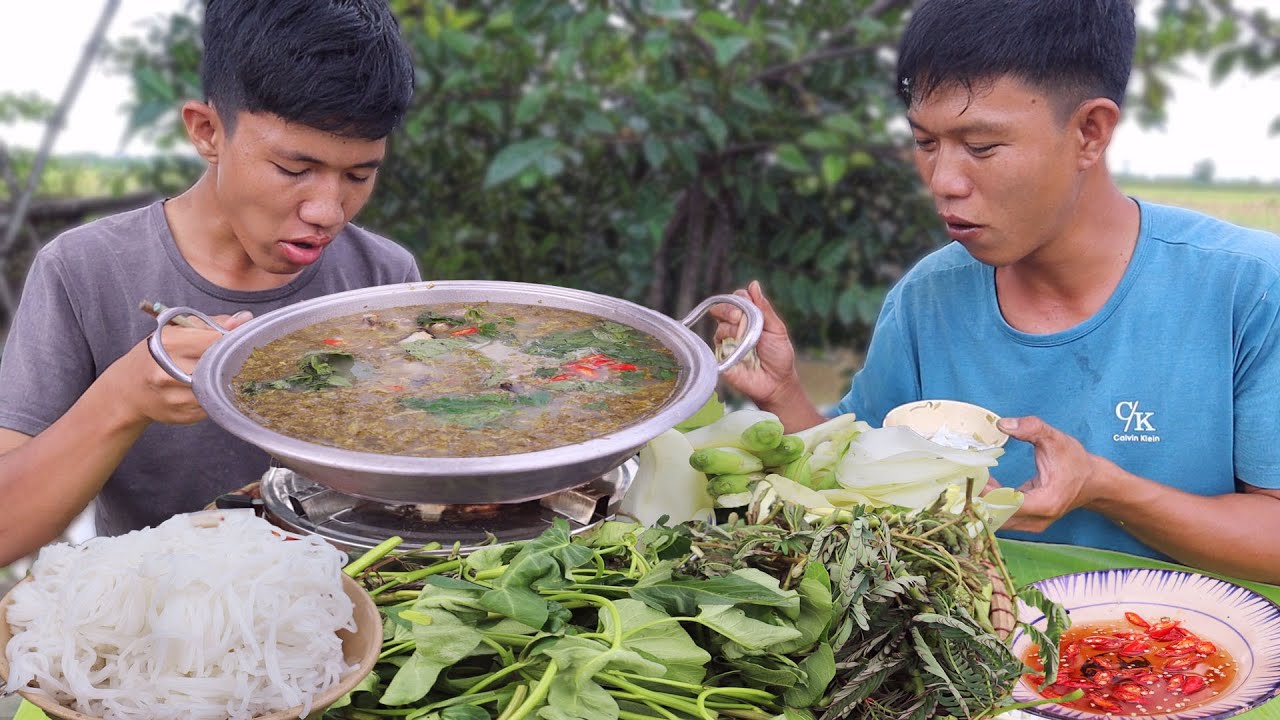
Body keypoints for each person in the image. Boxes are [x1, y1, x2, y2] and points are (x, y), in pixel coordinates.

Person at [713, 0, 1280, 583]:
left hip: (1197, 637)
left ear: (1090, 132)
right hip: (983, 631)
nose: (943, 181)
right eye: (926, 142)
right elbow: (856, 475)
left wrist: (1106, 489)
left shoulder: (1251, 289)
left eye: (981, 147)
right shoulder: (927, 300)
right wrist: (783, 394)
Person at [0, 0, 420, 567]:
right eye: (294, 170)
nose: (327, 210)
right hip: (156, 606)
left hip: (351, 600)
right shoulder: (84, 271)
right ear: (207, 132)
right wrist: (123, 397)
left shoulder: (383, 280)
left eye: (359, 174)